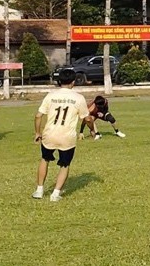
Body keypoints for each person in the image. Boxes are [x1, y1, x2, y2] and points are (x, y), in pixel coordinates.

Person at [33, 68, 88, 201]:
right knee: (65, 164)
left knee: (45, 159)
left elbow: (38, 116)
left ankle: (39, 190)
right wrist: (92, 129)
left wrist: (37, 132)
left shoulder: (50, 95)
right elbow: (86, 118)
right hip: (67, 136)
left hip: (49, 134)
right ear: (73, 82)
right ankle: (55, 194)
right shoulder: (78, 98)